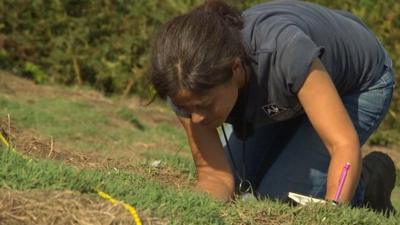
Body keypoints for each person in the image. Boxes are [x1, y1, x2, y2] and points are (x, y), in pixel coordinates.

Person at [149, 0, 396, 214]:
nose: (197, 119)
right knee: (244, 185)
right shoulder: (182, 83)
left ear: (235, 69)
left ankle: (368, 183)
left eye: (205, 105)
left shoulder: (284, 52)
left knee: (281, 199)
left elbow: (342, 144)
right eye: (186, 107)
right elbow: (215, 176)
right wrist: (196, 213)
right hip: (290, 95)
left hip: (358, 84)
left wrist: (333, 208)